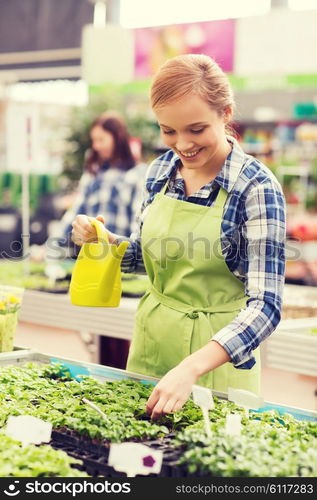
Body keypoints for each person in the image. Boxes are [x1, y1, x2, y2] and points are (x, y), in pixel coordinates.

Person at [71, 54, 286, 419]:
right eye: (168, 130)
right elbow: (150, 257)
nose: (182, 144)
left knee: (209, 470)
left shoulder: (256, 187)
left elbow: (266, 305)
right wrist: (104, 242)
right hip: (152, 347)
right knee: (139, 460)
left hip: (216, 363)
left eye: (196, 129)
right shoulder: (160, 173)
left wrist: (192, 367)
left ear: (226, 113)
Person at [55, 110, 146, 252]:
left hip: (122, 258)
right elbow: (77, 211)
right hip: (91, 256)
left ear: (117, 138)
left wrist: (136, 254)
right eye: (94, 140)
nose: (96, 146)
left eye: (101, 140)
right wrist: (54, 245)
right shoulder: (93, 173)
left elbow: (138, 220)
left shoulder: (137, 173)